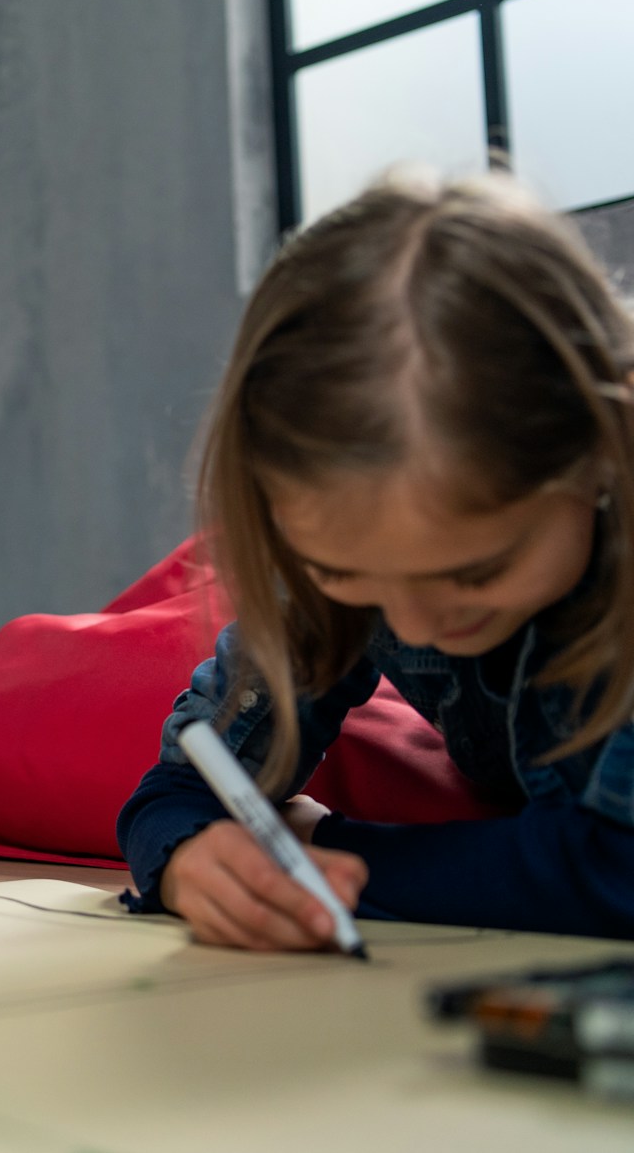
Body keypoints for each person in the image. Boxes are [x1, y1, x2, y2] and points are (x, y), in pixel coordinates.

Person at [117, 169, 634, 948]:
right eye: (345, 574)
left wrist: (323, 847)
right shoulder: (348, 545)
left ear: (605, 450)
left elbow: (617, 872)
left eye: (475, 572)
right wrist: (192, 856)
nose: (414, 624)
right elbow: (183, 786)